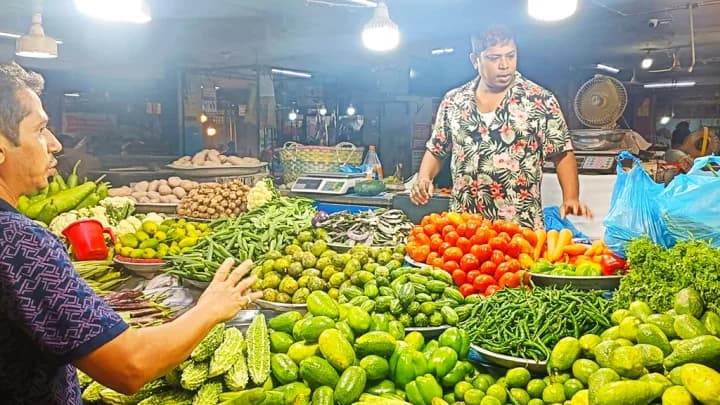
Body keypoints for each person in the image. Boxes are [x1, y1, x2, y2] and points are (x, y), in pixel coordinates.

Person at [0, 61, 263, 403]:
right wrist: (210, 308)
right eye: (39, 130)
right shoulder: (19, 243)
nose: (55, 144)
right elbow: (130, 365)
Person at [411, 26, 591, 229]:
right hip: (464, 227)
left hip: (519, 227)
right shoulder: (454, 100)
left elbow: (562, 152)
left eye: (510, 56)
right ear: (475, 60)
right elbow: (436, 149)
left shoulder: (539, 99)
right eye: (494, 58)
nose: (504, 65)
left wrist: (571, 197)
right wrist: (424, 178)